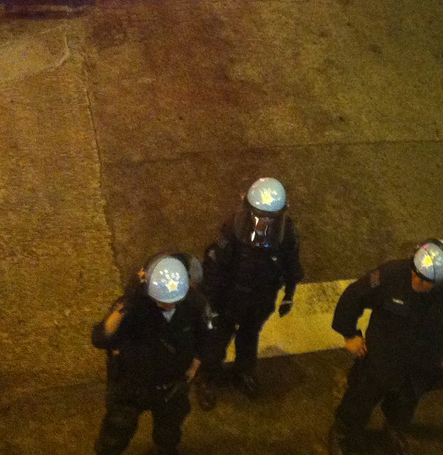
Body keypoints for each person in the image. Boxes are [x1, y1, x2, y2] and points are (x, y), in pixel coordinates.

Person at [328, 239, 443, 455]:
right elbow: (354, 295)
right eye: (414, 272)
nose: (415, 280)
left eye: (424, 280)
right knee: (360, 397)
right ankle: (343, 432)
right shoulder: (391, 275)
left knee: (405, 402)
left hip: (421, 364)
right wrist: (349, 334)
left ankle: (392, 430)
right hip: (381, 358)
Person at [195, 177, 303, 409]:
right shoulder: (233, 230)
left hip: (259, 300)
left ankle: (243, 372)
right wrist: (210, 305)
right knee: (216, 342)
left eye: (269, 218)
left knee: (249, 338)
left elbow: (292, 265)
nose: (263, 223)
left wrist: (289, 294)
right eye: (258, 216)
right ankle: (207, 378)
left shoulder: (287, 235)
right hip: (227, 300)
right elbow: (214, 268)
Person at [92, 253, 210, 455]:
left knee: (169, 433)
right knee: (117, 430)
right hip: (132, 385)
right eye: (163, 300)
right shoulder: (134, 305)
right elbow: (101, 338)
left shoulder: (195, 304)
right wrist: (125, 307)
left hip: (171, 385)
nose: (169, 305)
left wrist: (193, 369)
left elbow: (205, 339)